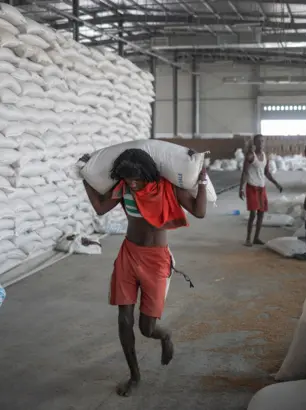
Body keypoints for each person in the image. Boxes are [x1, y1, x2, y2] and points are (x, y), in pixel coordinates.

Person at [81, 148, 208, 397]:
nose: (133, 184)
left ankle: (165, 335)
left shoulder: (167, 186)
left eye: (136, 179)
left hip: (156, 260)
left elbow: (200, 211)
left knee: (147, 328)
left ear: (148, 173)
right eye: (128, 179)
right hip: (128, 255)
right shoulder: (124, 188)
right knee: (124, 319)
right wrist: (85, 176)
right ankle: (134, 375)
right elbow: (100, 207)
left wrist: (203, 179)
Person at [238, 134, 283, 246]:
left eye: (263, 141)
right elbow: (244, 172)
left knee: (261, 213)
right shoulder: (250, 156)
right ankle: (248, 239)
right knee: (253, 214)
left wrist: (277, 184)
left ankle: (256, 238)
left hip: (261, 187)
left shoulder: (265, 155)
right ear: (255, 143)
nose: (261, 143)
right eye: (259, 141)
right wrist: (241, 188)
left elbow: (266, 172)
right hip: (252, 187)